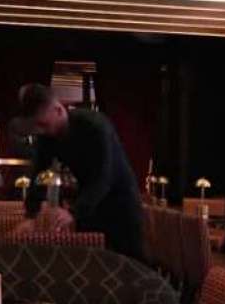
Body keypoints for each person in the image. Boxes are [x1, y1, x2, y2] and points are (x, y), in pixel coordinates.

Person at [15, 85, 143, 259]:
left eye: (43, 125)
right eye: (37, 126)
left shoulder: (95, 126)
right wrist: (31, 215)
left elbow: (103, 178)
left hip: (121, 205)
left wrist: (74, 212)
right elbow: (39, 172)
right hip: (89, 206)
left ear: (58, 110)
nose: (41, 131)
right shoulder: (48, 135)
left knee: (126, 265)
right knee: (89, 263)